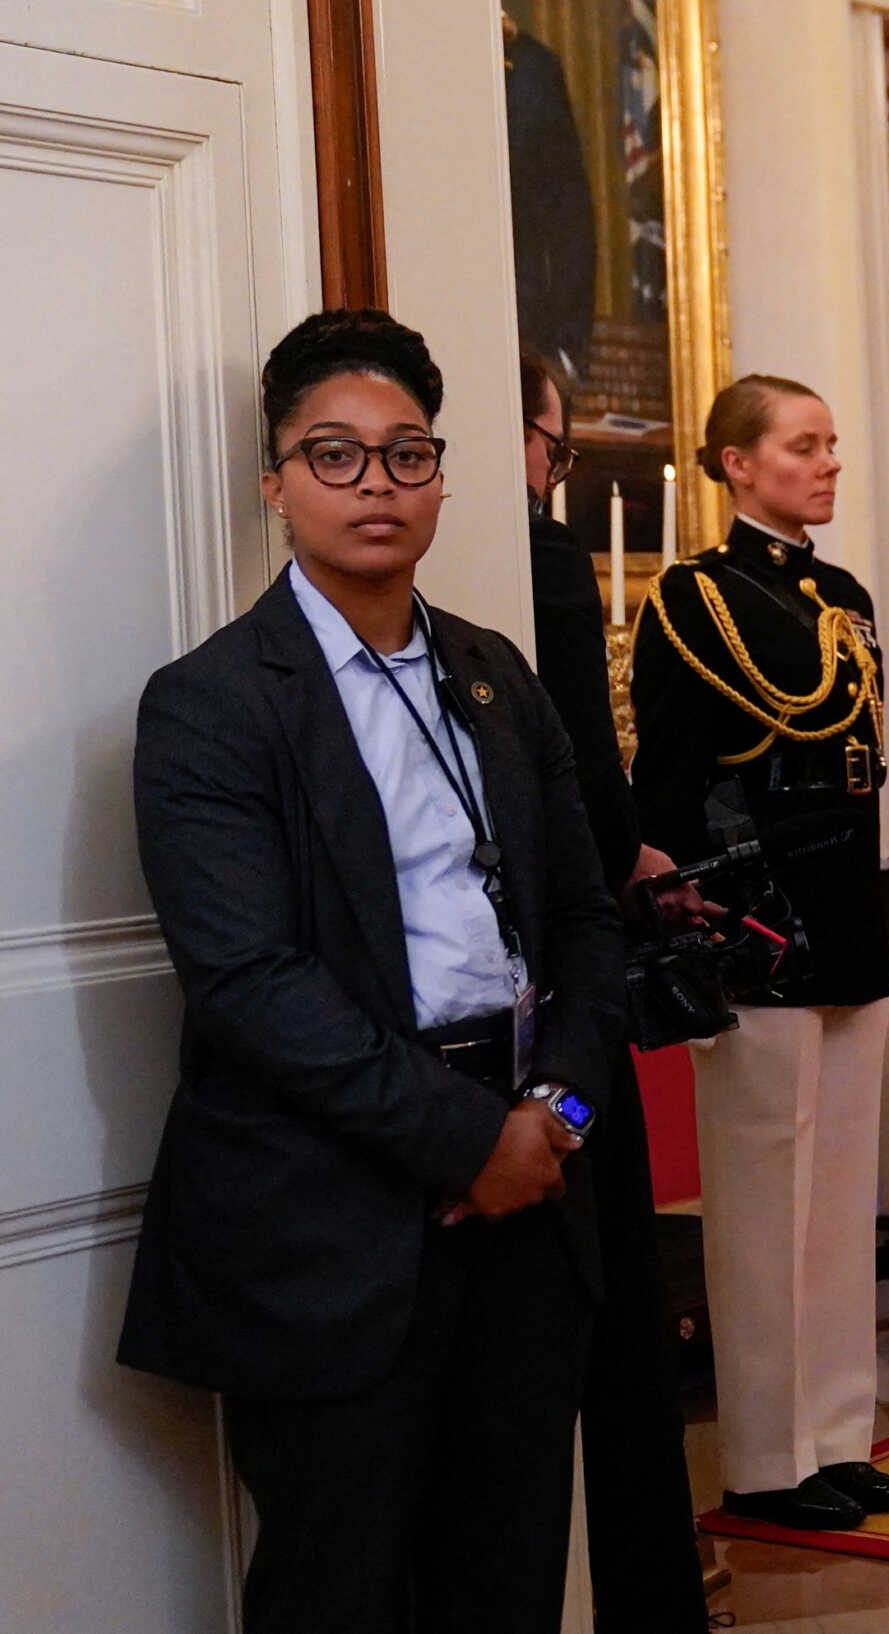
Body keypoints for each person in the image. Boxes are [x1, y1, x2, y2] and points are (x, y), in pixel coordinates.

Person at [119, 309, 624, 1633]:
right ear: (275, 480)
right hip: (329, 1211)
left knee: (506, 1580)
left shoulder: (495, 676)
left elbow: (585, 921)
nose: (376, 486)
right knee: (339, 1592)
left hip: (527, 1189)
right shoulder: (213, 701)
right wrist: (468, 1143)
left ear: (446, 476)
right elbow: (250, 984)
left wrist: (551, 1122)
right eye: (334, 455)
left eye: (407, 455)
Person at [628, 373, 889, 1532]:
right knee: (762, 1198)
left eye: (833, 443)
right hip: (755, 907)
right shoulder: (694, 597)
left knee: (841, 1191)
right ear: (738, 464)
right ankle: (763, 1454)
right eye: (804, 445)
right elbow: (673, 775)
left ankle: (834, 1435)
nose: (829, 463)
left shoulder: (837, 593)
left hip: (846, 903)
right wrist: (690, 897)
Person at [520, 352, 710, 1632]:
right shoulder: (538, 565)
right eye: (549, 441)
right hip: (564, 998)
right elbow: (585, 765)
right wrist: (629, 855)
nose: (551, 469)